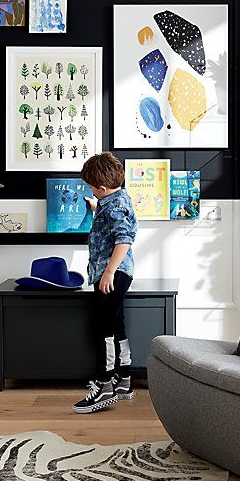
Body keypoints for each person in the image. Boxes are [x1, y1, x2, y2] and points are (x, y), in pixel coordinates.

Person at [72, 152, 138, 413]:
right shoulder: (115, 199)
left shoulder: (115, 206)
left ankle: (104, 384)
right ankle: (124, 379)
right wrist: (94, 206)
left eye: (91, 186)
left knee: (103, 328)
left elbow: (124, 239)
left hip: (113, 273)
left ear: (102, 187)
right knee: (116, 324)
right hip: (119, 272)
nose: (90, 190)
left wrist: (109, 272)